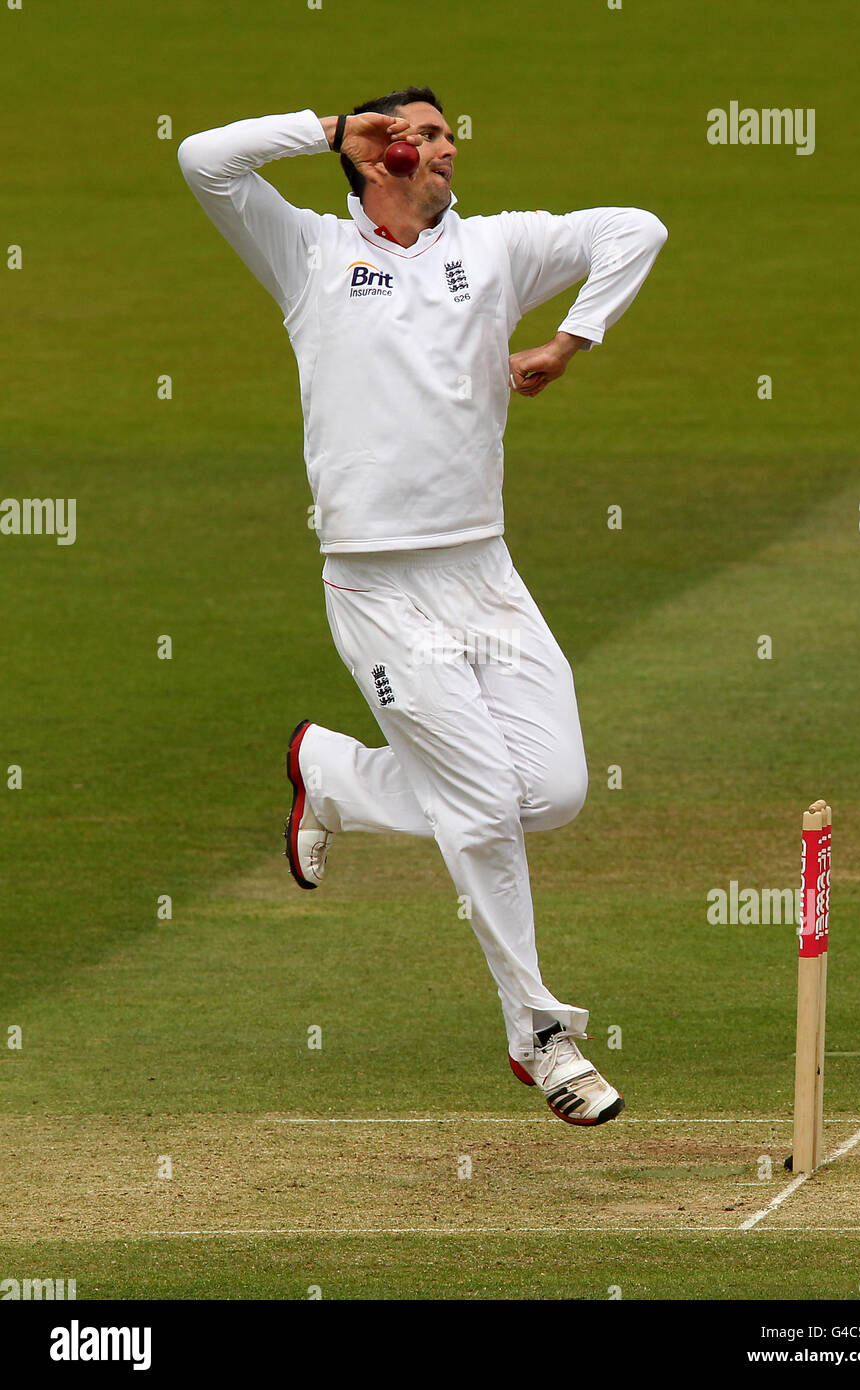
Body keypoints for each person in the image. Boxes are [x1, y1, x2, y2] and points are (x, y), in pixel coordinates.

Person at [178, 87, 667, 1125]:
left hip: (483, 572)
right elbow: (202, 160)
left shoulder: (494, 249)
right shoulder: (305, 251)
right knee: (483, 805)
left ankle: (336, 776)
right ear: (377, 155)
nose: (444, 148)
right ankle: (540, 1037)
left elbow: (635, 229)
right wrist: (318, 133)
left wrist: (567, 343)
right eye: (423, 134)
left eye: (447, 133)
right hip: (374, 580)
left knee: (553, 789)